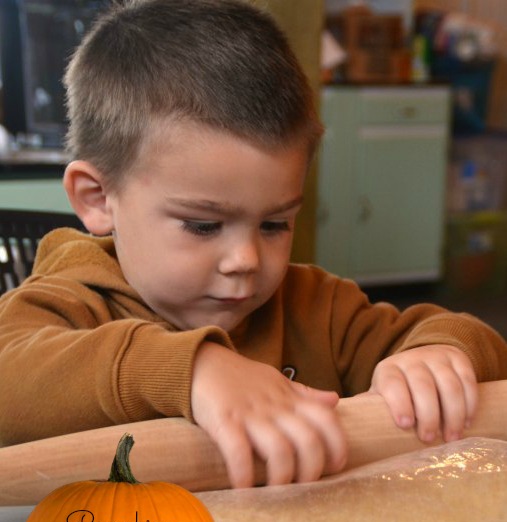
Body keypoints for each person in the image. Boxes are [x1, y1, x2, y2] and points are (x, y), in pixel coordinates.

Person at [0, 0, 506, 489]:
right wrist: (192, 369)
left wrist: (437, 356)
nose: (246, 261)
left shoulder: (316, 308)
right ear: (98, 198)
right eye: (202, 226)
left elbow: (463, 338)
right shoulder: (70, 300)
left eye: (274, 225)